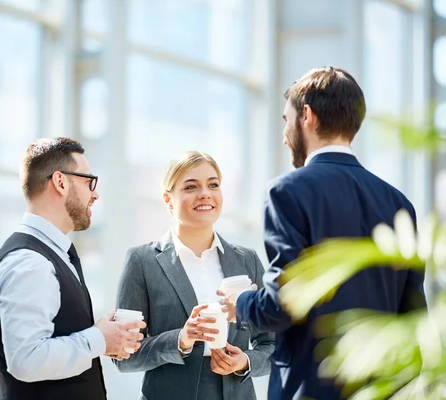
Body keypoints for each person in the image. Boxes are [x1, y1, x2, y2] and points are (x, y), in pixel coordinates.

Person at [218, 67, 426, 400]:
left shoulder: (287, 192)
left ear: (307, 116)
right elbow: (414, 322)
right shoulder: (399, 204)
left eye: (286, 120)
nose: (285, 134)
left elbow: (283, 304)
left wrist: (240, 303)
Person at [0, 137, 146, 400]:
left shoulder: (50, 256)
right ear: (60, 182)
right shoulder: (30, 263)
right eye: (88, 181)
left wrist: (103, 338)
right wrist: (98, 339)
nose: (95, 194)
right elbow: (26, 359)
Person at [114, 151, 274, 400]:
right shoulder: (141, 262)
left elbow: (276, 345)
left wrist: (245, 362)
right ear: (168, 200)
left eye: (213, 184)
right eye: (191, 186)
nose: (205, 193)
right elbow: (124, 357)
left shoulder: (247, 260)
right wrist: (181, 340)